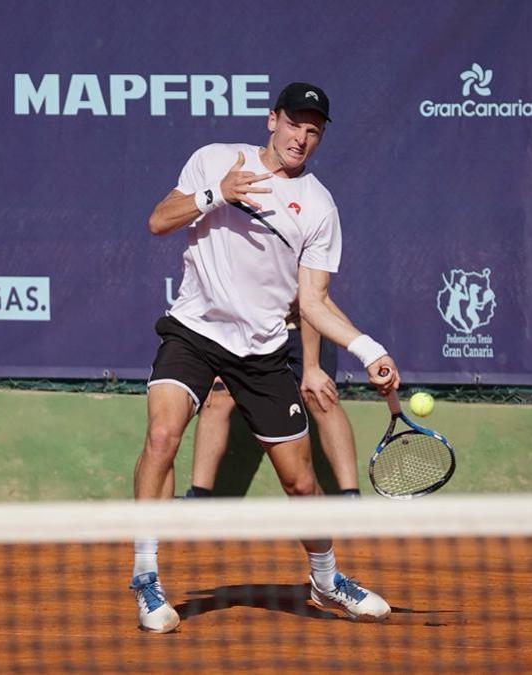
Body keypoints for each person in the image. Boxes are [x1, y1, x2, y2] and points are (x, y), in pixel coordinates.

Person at [132, 82, 401, 633]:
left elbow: (313, 302)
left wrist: (367, 347)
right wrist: (217, 194)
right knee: (162, 436)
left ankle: (325, 579)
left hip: (260, 352)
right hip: (194, 329)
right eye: (295, 123)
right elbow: (159, 221)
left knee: (301, 483)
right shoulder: (214, 160)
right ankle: (145, 576)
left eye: (314, 130)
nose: (302, 137)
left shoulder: (320, 207)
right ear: (271, 120)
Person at [186, 302, 363, 499]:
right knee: (218, 394)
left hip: (302, 328)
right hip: (247, 333)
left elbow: (309, 302)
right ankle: (199, 497)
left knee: (320, 396)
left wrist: (311, 367)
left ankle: (351, 496)